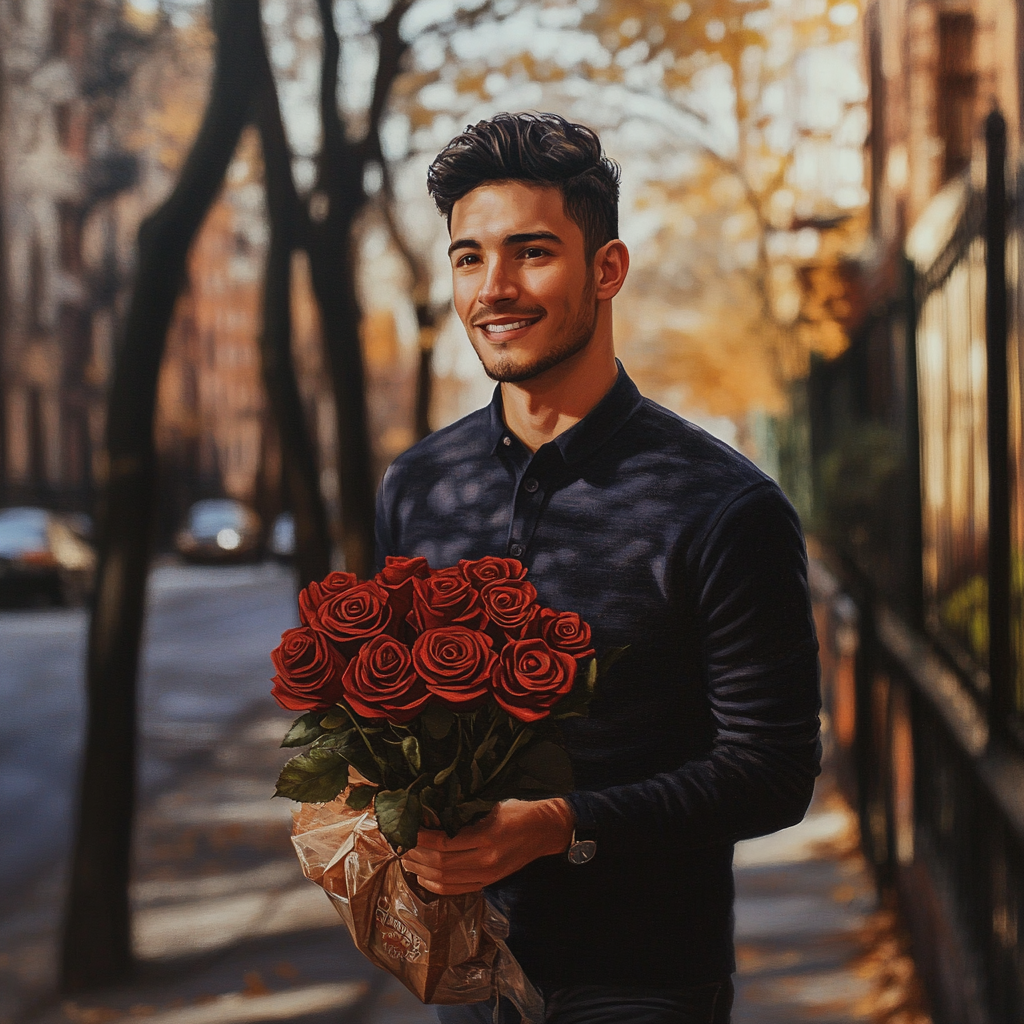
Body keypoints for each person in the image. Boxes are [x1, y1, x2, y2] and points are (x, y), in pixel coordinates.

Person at [376, 112, 821, 1024]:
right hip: (463, 972)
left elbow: (774, 769)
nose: (493, 289)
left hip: (643, 979)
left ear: (607, 269)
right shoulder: (419, 488)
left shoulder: (722, 506)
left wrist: (559, 827)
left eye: (530, 253)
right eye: (468, 258)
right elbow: (396, 716)